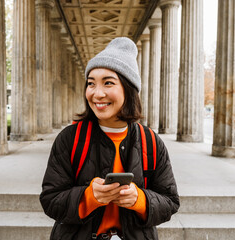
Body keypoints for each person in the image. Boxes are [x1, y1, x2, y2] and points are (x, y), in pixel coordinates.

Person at [40, 37, 179, 240]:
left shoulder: (150, 141)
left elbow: (170, 202)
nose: (97, 93)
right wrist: (89, 197)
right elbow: (50, 200)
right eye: (91, 84)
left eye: (108, 83)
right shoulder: (70, 138)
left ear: (128, 89)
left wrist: (139, 199)